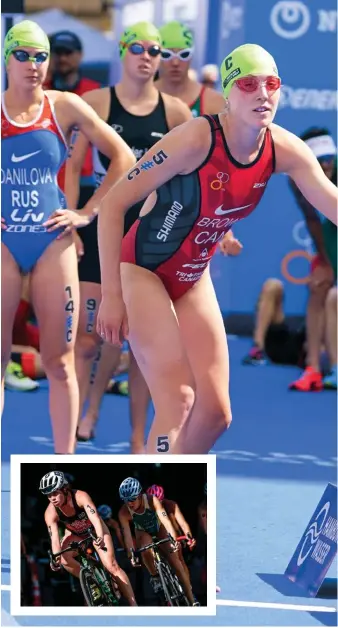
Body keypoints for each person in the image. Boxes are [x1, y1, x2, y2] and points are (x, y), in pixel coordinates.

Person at [96, 43, 337, 455]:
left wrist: (216, 232)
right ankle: (153, 508)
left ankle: (172, 498)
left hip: (192, 276)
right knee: (180, 398)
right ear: (228, 92)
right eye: (248, 84)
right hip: (142, 271)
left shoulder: (284, 148)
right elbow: (115, 204)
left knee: (216, 415)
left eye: (271, 84)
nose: (263, 93)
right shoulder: (194, 139)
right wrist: (112, 296)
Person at [1, 20, 135, 452]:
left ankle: (65, 463)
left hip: (52, 243)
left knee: (60, 363)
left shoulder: (64, 107)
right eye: (22, 54)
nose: (33, 64)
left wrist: (87, 212)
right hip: (3, 245)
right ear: (7, 58)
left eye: (40, 55)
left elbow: (123, 156)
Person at [65, 22, 192, 451]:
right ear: (122, 51)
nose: (147, 56)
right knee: (86, 341)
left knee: (143, 351)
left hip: (148, 236)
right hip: (102, 228)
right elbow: (75, 164)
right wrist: (74, 220)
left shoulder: (175, 112)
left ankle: (138, 439)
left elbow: (195, 175)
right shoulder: (96, 102)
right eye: (137, 47)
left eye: (155, 50)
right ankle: (78, 425)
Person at [40, 470, 137, 605]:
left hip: (95, 530)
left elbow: (95, 518)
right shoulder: (50, 512)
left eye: (55, 493)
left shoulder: (80, 496)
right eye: (48, 495)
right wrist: (55, 558)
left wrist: (99, 536)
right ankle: (91, 579)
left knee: (111, 566)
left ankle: (134, 605)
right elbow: (55, 539)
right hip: (76, 535)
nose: (52, 498)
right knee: (62, 557)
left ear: (65, 489)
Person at [288, 128, 337, 391]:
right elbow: (312, 220)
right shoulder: (297, 179)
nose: (327, 165)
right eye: (320, 160)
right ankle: (313, 368)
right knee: (318, 286)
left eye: (330, 158)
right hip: (331, 235)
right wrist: (326, 263)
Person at [118, 477, 198, 605]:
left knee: (176, 563)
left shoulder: (152, 500)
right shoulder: (123, 512)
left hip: (159, 527)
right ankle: (155, 577)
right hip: (143, 531)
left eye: (132, 499)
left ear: (140, 495)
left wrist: (173, 539)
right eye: (126, 500)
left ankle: (191, 598)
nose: (129, 503)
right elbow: (127, 535)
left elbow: (165, 520)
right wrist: (131, 554)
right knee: (145, 548)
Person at [155, 21, 225, 118]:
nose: (175, 62)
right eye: (167, 55)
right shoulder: (141, 98)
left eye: (184, 55)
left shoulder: (214, 102)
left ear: (191, 56)